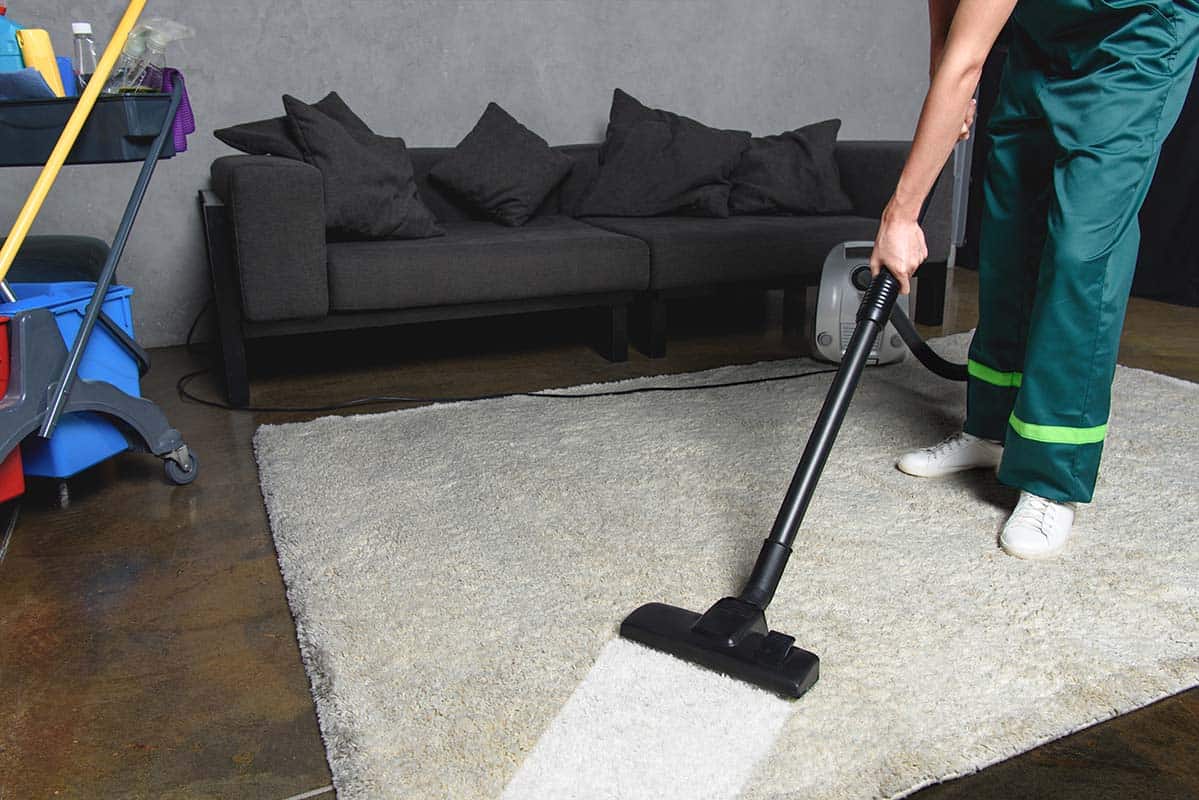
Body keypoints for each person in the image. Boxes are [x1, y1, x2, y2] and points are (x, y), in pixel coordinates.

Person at [870, 0, 1199, 559]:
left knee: (1081, 251)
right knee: (1009, 230)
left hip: (1135, 36)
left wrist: (900, 216)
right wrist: (945, 77)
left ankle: (1052, 476)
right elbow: (951, 30)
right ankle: (990, 429)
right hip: (1042, 36)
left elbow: (968, 63)